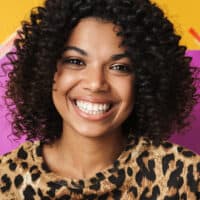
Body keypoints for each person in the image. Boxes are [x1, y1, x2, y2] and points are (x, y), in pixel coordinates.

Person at [0, 0, 200, 199]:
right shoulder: (5, 180)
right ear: (45, 70)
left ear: (144, 80)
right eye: (76, 62)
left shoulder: (186, 177)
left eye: (119, 67)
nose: (96, 83)